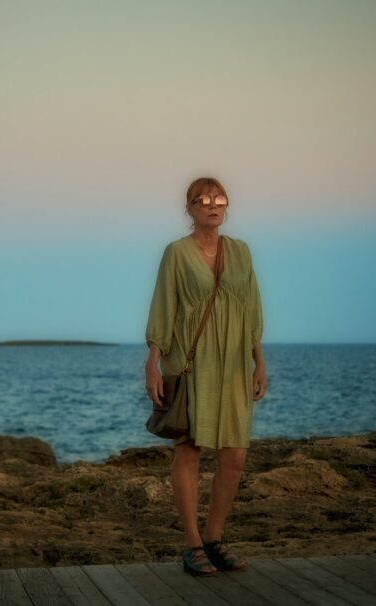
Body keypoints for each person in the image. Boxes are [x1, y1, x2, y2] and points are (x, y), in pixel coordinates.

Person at [144, 177, 268, 576]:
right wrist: (153, 362)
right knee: (190, 448)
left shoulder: (241, 252)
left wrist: (259, 361)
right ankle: (192, 544)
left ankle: (215, 538)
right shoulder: (177, 253)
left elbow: (251, 309)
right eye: (203, 200)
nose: (213, 205)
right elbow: (164, 307)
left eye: (219, 199)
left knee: (235, 455)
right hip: (190, 360)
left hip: (234, 364)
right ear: (189, 208)